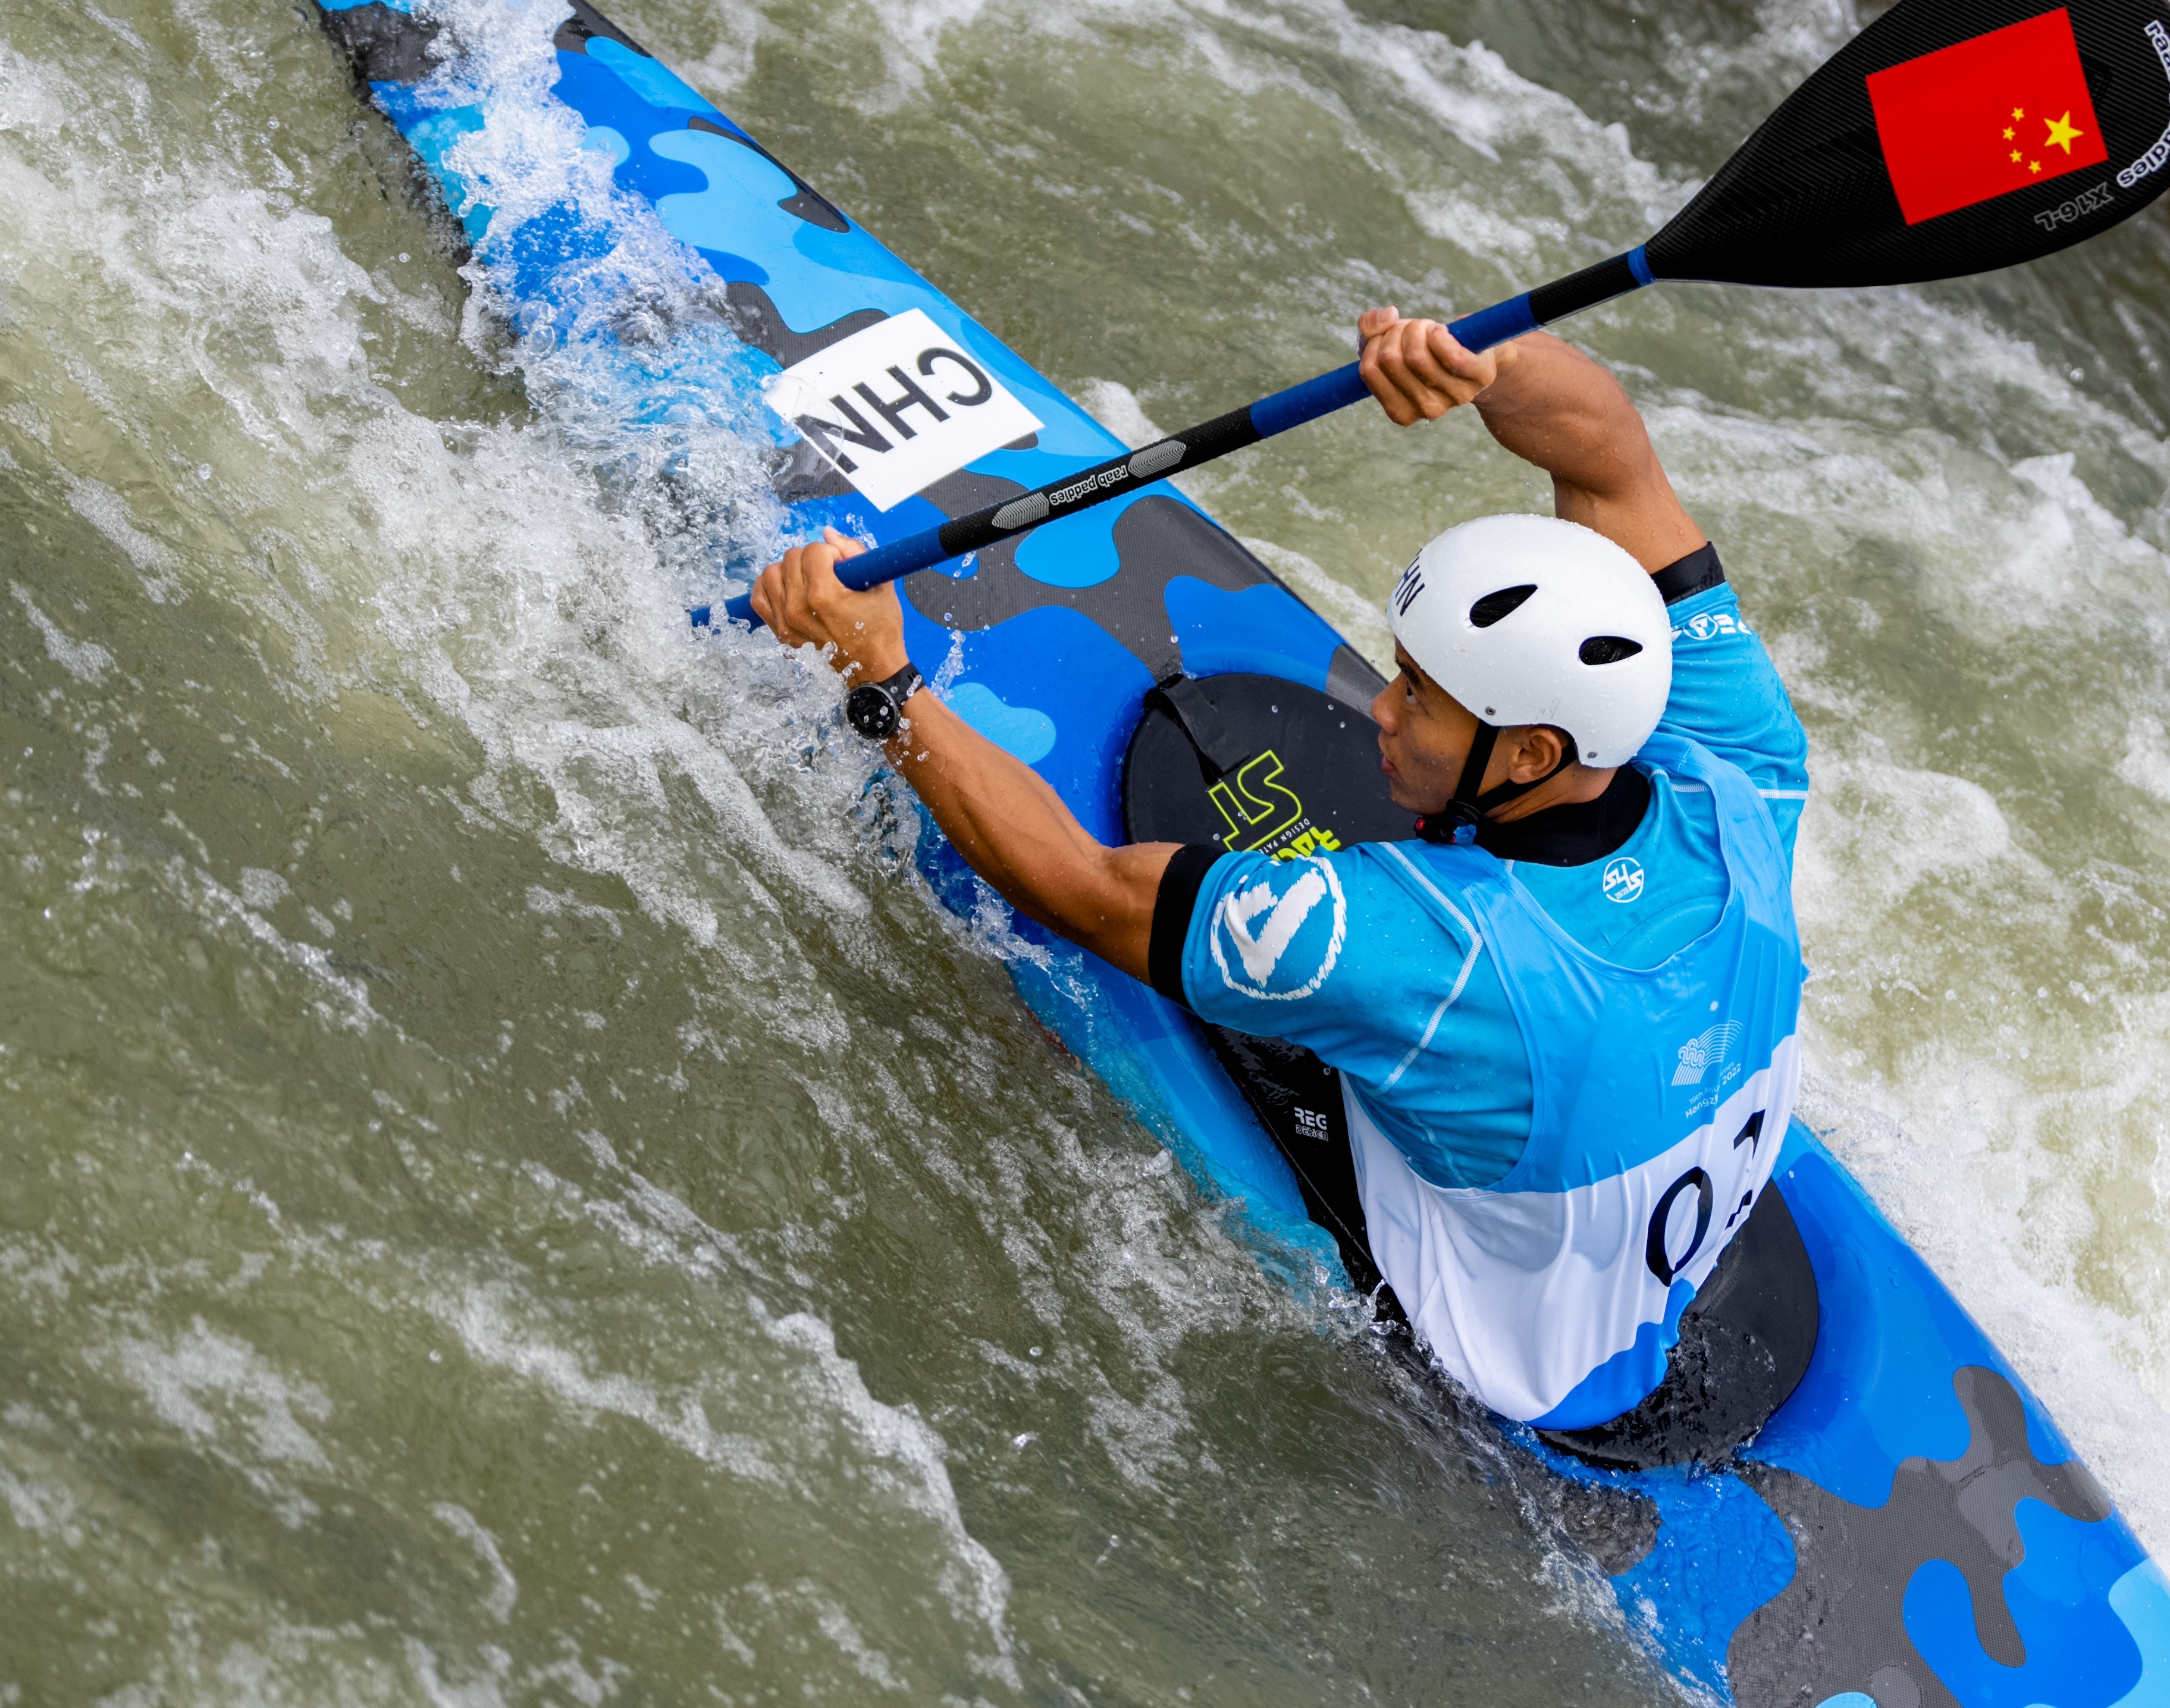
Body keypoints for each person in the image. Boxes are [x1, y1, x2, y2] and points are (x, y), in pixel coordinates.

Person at [751, 308, 1814, 1461]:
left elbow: (1075, 883)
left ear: (1531, 755)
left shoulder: (1419, 955)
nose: (1380, 713)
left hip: (1504, 1377)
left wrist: (881, 681)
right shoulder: (1739, 770)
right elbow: (1609, 455)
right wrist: (1482, 368)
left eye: (1421, 696)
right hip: (1641, 1234)